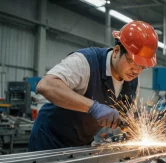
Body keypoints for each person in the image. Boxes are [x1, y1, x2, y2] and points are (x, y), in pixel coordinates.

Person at [29, 21, 158, 151]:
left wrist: (134, 131)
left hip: (82, 145)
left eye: (142, 66)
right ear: (116, 51)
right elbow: (46, 85)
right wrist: (93, 107)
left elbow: (127, 119)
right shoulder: (86, 62)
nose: (136, 71)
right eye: (132, 62)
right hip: (49, 140)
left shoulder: (133, 83)